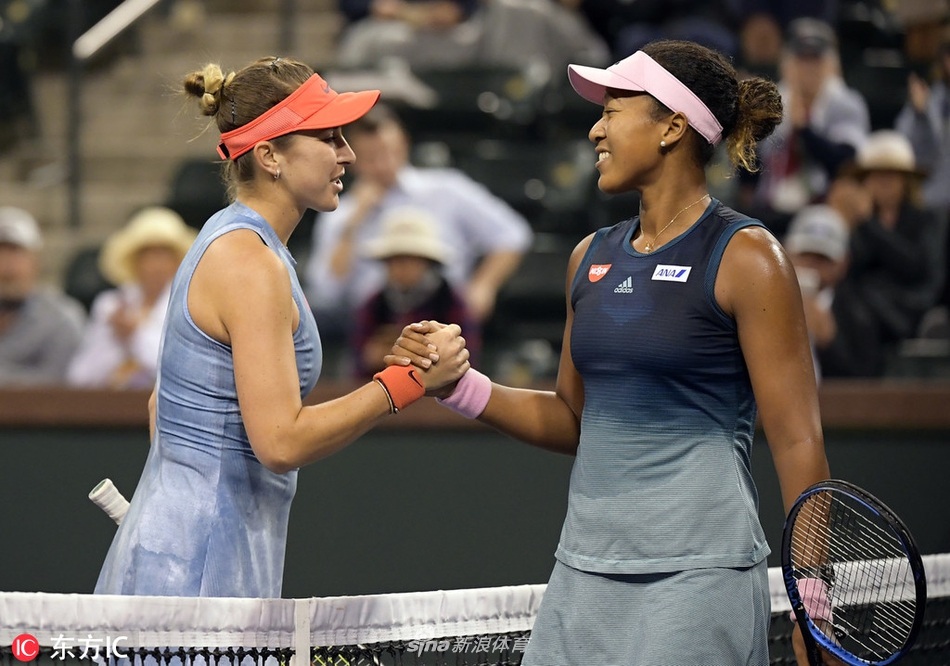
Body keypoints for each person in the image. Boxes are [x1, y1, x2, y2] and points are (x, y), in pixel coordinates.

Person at [387, 40, 837, 665]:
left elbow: (797, 440)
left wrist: (814, 601)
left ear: (672, 127)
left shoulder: (748, 257)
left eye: (612, 111)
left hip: (700, 578)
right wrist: (460, 386)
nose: (595, 130)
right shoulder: (589, 257)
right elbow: (574, 419)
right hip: (583, 576)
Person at [93, 56, 470, 599]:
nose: (348, 153)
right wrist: (405, 383)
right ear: (269, 155)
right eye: (329, 137)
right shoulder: (249, 262)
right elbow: (279, 441)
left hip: (185, 552)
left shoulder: (231, 240)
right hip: (197, 572)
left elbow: (163, 405)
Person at [305, 102, 532, 341]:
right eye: (370, 157)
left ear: (404, 144)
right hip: (373, 327)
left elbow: (513, 233)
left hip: (443, 318)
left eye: (388, 152)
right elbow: (326, 290)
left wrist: (484, 286)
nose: (382, 165)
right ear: (352, 159)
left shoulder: (447, 189)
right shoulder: (340, 211)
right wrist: (353, 223)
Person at [740, 17, 870, 236]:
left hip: (822, 210)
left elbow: (846, 163)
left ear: (830, 64)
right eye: (801, 60)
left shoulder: (846, 103)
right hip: (771, 208)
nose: (808, 69)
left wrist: (804, 129)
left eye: (815, 60)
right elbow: (750, 167)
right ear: (787, 63)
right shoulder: (772, 101)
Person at [66, 207, 196, 389]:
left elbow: (184, 369)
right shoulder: (110, 305)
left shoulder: (190, 305)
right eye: (148, 254)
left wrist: (134, 336)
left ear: (178, 261)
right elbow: (80, 375)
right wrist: (114, 339)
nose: (156, 264)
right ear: (134, 261)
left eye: (163, 254)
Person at [352, 206, 479, 377]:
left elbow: (467, 362)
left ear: (426, 262)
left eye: (408, 259)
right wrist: (371, 358)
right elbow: (357, 362)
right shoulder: (373, 305)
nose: (400, 267)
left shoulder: (450, 303)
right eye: (394, 260)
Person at [0, 206, 86, 386]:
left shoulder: (61, 317)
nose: (6, 264)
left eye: (16, 252)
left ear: (36, 260)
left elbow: (59, 382)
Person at [783, 204, 851, 382]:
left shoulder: (857, 310)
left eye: (823, 258)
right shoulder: (763, 300)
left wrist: (829, 343)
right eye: (805, 254)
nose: (812, 264)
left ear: (843, 263)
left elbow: (862, 374)